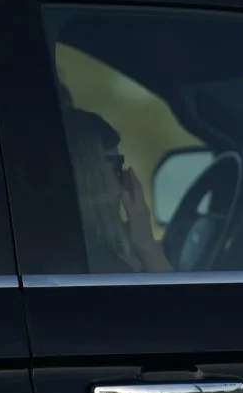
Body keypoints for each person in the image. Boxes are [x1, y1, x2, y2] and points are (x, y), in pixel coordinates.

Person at [63, 106, 171, 273]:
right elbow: (175, 298)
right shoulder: (99, 262)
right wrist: (147, 246)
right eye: (117, 166)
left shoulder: (83, 248)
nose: (125, 180)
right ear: (91, 174)